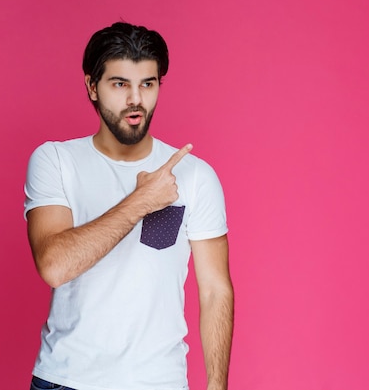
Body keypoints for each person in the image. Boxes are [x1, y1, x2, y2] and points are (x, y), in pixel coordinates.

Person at [24, 22, 233, 390]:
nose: (135, 99)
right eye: (120, 84)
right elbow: (54, 266)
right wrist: (141, 202)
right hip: (67, 380)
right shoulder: (55, 160)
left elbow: (215, 290)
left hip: (159, 382)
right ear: (92, 86)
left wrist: (216, 388)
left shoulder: (196, 175)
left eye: (147, 84)